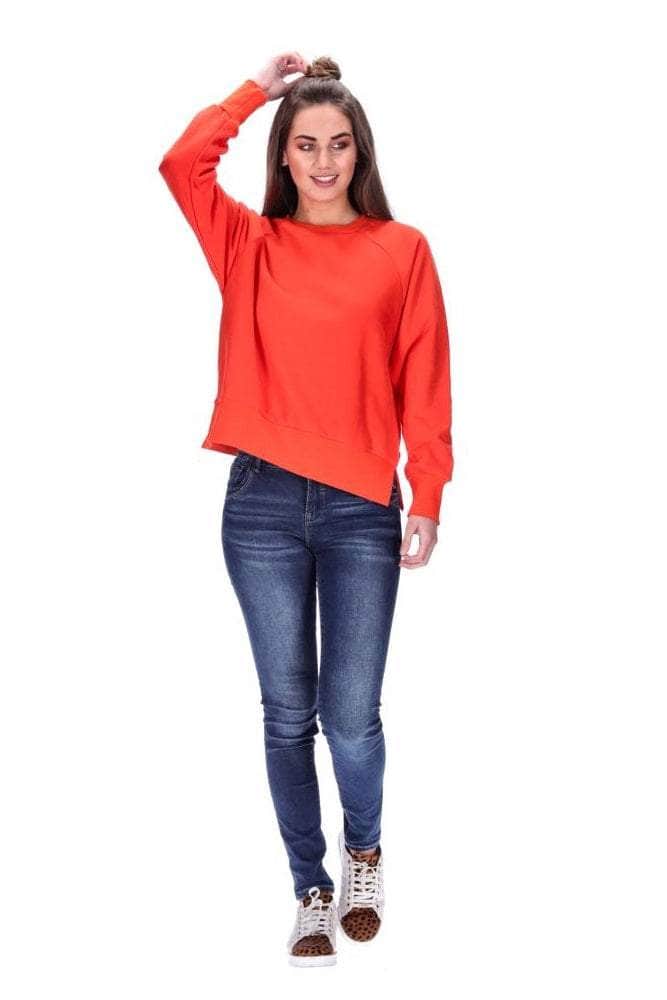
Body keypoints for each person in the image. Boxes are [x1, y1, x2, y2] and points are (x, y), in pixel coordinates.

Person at [158, 51, 454, 966]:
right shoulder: (248, 244)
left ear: (360, 152)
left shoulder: (401, 249)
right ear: (283, 155)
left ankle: (363, 855)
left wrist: (427, 492)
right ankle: (310, 889)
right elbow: (180, 163)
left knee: (350, 714)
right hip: (261, 505)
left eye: (338, 143)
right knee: (286, 713)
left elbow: (425, 378)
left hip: (363, 506)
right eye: (305, 144)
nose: (323, 161)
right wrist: (258, 91)